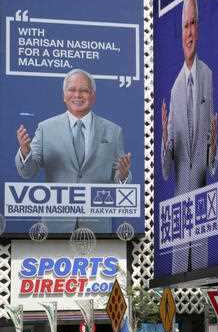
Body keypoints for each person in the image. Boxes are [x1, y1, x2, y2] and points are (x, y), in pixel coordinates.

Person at [15, 68, 132, 232]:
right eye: (72, 90)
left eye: (84, 90)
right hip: (55, 227)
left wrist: (124, 175)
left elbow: (120, 182)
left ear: (93, 96)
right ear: (64, 96)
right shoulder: (46, 128)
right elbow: (27, 172)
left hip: (97, 227)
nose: (77, 95)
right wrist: (26, 152)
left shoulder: (113, 131)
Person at [161, 0, 218, 272]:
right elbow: (167, 169)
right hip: (182, 208)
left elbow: (214, 162)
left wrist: (214, 149)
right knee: (180, 269)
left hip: (209, 205)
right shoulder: (173, 89)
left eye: (193, 23)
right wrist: (165, 143)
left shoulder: (211, 76)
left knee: (209, 264)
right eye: (185, 25)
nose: (189, 32)